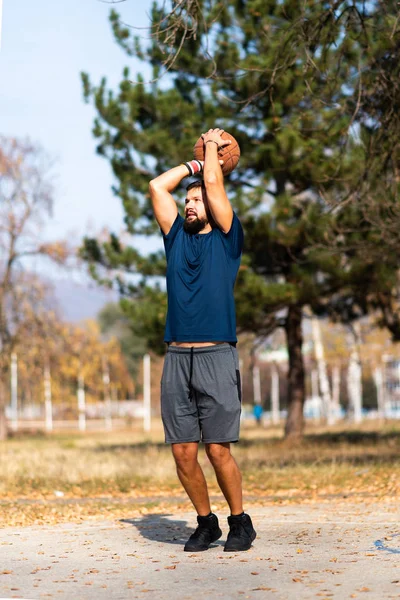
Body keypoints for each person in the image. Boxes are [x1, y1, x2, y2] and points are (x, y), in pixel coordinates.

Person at [149, 128, 256, 553]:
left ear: (213, 206)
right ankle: (206, 522)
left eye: (197, 201)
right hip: (177, 357)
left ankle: (239, 521)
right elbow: (158, 186)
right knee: (182, 454)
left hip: (216, 355)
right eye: (188, 200)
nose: (191, 204)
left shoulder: (228, 240)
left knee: (217, 450)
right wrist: (194, 165)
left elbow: (214, 183)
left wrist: (212, 146)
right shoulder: (175, 239)